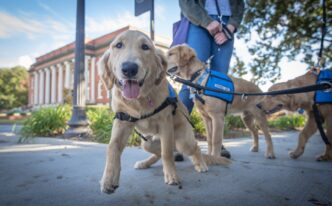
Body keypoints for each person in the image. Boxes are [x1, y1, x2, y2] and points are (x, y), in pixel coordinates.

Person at [176, 0, 245, 159]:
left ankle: (216, 143)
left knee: (220, 86)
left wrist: (231, 26)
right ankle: (176, 139)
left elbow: (239, 4)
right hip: (198, 21)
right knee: (191, 80)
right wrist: (207, 21)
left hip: (226, 25)